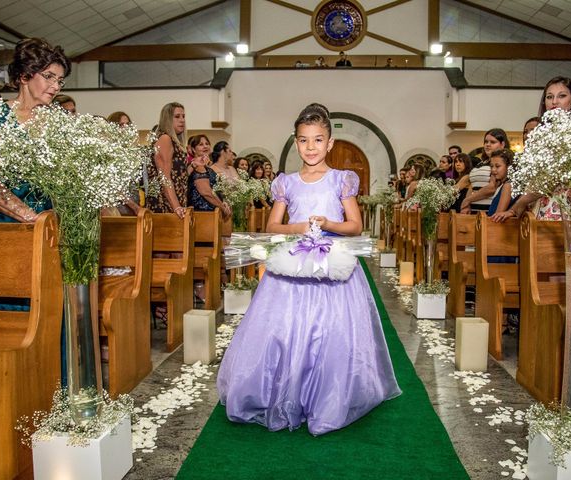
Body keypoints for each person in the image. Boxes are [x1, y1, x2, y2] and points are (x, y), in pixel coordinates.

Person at [217, 103, 401, 435]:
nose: (311, 147)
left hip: (331, 263)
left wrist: (330, 223)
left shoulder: (341, 180)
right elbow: (275, 224)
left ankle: (326, 395)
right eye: (304, 140)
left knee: (330, 331)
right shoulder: (286, 183)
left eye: (318, 140)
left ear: (330, 143)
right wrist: (299, 228)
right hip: (292, 263)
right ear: (296, 141)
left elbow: (356, 225)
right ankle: (283, 390)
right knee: (285, 328)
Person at [0, 38, 70, 223]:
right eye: (49, 77)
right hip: (2, 224)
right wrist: (31, 217)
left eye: (60, 81)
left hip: (49, 224)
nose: (56, 87)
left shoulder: (60, 122)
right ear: (24, 76)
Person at [146, 102, 188, 218]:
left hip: (175, 199)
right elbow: (165, 177)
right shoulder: (165, 139)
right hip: (165, 203)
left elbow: (177, 174)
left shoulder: (175, 141)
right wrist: (176, 207)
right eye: (177, 116)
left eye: (183, 116)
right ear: (168, 119)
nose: (182, 120)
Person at [460, 128, 509, 213]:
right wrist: (467, 204)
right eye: (486, 142)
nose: (488, 145)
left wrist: (467, 200)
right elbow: (473, 185)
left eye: (493, 142)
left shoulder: (499, 164)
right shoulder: (481, 162)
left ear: (502, 144)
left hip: (488, 210)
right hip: (473, 210)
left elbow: (491, 188)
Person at [487, 149, 517, 218]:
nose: (493, 169)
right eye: (491, 166)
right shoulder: (503, 184)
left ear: (509, 167)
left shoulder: (508, 185)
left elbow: (498, 215)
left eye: (497, 166)